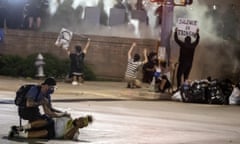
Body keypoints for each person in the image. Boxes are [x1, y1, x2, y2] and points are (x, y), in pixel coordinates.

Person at [10, 114, 93, 140]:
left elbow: (66, 137)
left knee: (45, 132)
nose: (78, 119)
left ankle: (18, 134)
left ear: (81, 126)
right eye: (79, 118)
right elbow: (54, 114)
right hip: (50, 122)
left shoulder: (76, 133)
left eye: (80, 121)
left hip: (53, 133)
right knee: (47, 121)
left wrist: (75, 127)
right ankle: (21, 128)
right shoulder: (68, 117)